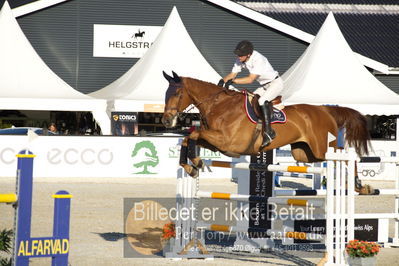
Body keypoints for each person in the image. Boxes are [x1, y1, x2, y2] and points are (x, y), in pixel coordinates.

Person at [220, 40, 284, 147]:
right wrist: (222, 81)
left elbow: (250, 79)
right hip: (264, 86)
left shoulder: (259, 59)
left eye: (241, 55)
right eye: (238, 54)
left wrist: (234, 81)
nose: (238, 57)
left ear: (249, 54)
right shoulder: (241, 59)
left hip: (275, 83)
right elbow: (232, 74)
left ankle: (269, 132)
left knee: (261, 101)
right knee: (249, 100)